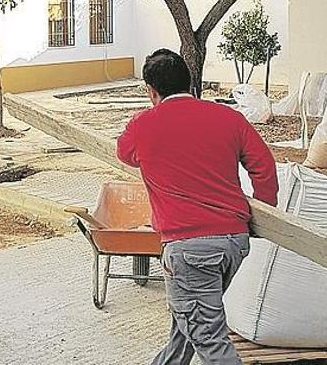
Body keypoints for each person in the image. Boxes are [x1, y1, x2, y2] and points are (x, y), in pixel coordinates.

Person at [116, 48, 278, 365]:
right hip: (233, 242)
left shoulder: (144, 124)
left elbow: (125, 154)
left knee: (209, 340)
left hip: (189, 249)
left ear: (151, 91)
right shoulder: (229, 117)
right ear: (190, 83)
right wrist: (263, 212)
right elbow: (264, 166)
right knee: (186, 328)